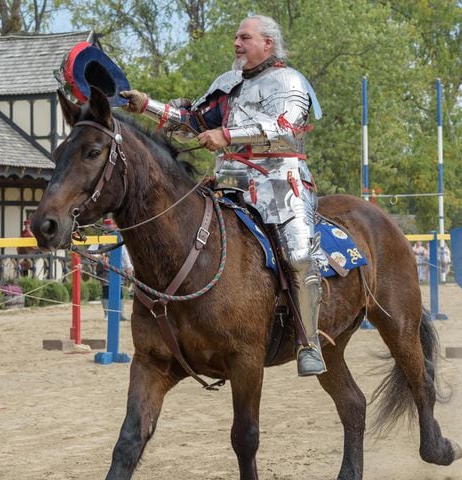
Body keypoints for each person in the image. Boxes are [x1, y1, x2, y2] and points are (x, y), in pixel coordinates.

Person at [118, 15, 326, 376]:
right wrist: (147, 105)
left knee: (298, 255)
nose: (236, 43)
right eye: (236, 37)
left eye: (245, 37)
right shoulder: (227, 84)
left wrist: (227, 137)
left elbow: (284, 127)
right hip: (228, 182)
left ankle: (309, 342)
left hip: (280, 183)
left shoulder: (289, 81)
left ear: (268, 44)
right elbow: (192, 123)